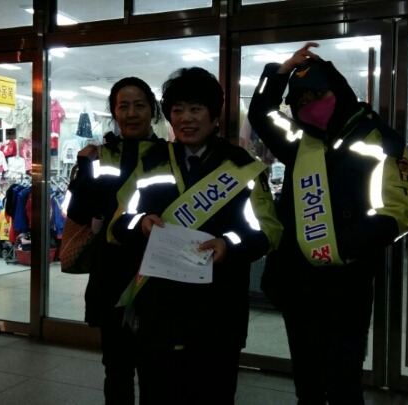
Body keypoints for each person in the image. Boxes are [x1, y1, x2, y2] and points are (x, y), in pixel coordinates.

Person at [247, 42, 408, 404]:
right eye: (301, 100)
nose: (310, 105)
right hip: (297, 281)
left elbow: (398, 213)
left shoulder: (381, 140)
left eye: (318, 94)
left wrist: (339, 246)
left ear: (339, 91)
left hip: (347, 282)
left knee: (344, 382)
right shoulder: (298, 141)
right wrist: (280, 71)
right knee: (306, 381)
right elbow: (261, 112)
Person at [109, 67, 283, 404]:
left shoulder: (241, 166)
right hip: (158, 309)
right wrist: (140, 224)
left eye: (195, 109)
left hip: (218, 310)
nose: (186, 118)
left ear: (214, 116)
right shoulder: (151, 162)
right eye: (177, 110)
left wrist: (228, 244)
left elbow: (268, 230)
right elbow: (118, 224)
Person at [73, 77, 166, 405]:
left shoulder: (169, 156)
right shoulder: (100, 157)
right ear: (114, 112)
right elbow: (80, 212)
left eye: (139, 105)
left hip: (156, 273)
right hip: (111, 272)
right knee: (116, 367)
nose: (131, 113)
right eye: (123, 106)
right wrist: (84, 167)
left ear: (152, 110)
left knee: (155, 369)